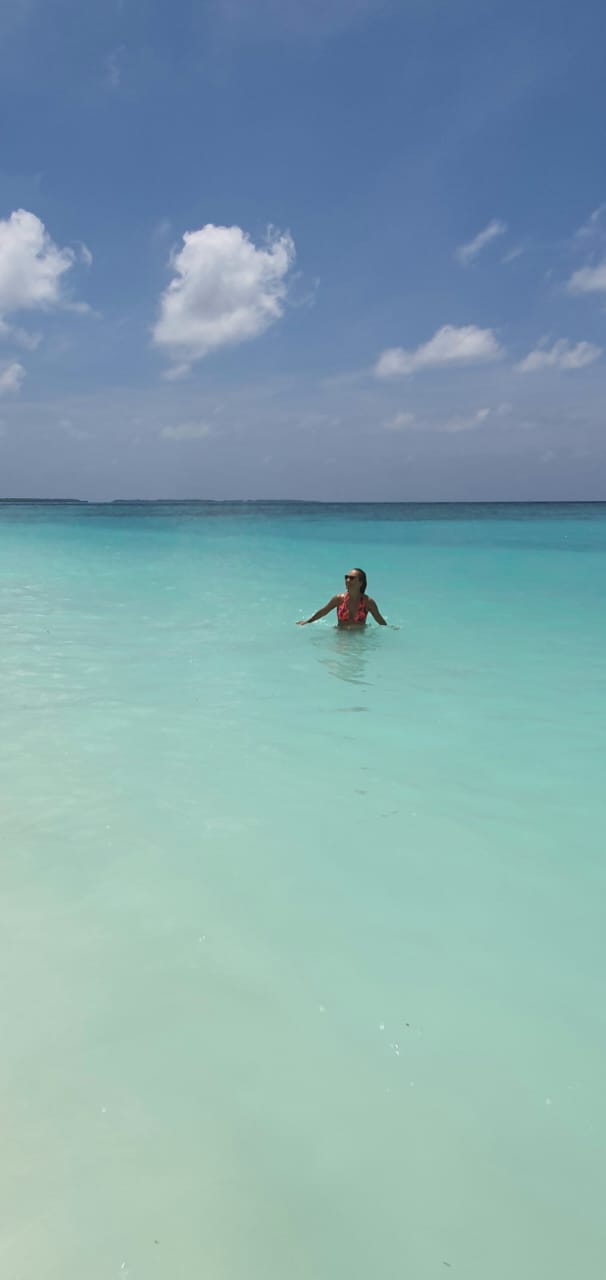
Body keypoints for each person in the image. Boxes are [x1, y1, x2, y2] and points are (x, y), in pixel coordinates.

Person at [296, 568, 387, 627]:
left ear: (360, 582)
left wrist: (390, 630)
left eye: (352, 578)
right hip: (341, 637)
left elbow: (380, 620)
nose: (347, 580)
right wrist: (307, 622)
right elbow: (324, 611)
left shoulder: (368, 602)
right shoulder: (338, 599)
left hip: (359, 639)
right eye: (346, 577)